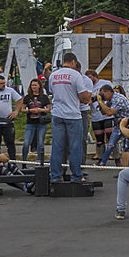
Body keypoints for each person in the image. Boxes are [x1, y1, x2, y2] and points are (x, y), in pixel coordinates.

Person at [48, 53, 92, 183]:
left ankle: (55, 176)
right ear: (73, 61)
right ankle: (76, 176)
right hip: (73, 115)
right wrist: (88, 96)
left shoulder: (53, 75)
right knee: (75, 147)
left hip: (57, 114)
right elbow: (84, 98)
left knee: (57, 147)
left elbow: (52, 91)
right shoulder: (75, 75)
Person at [96, 84, 129, 166]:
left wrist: (100, 101)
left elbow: (110, 112)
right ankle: (103, 163)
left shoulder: (118, 98)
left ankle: (126, 169)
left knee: (126, 148)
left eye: (103, 94)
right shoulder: (111, 99)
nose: (102, 96)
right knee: (111, 144)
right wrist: (101, 103)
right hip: (119, 124)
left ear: (108, 92)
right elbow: (105, 112)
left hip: (127, 124)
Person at [22, 78, 51, 161]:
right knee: (26, 143)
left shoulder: (44, 97)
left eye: (35, 85)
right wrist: (30, 110)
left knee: (40, 143)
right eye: (32, 85)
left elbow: (48, 109)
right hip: (30, 122)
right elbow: (23, 109)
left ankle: (40, 161)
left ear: (39, 86)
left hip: (41, 122)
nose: (33, 87)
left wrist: (40, 110)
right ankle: (23, 161)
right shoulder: (27, 97)